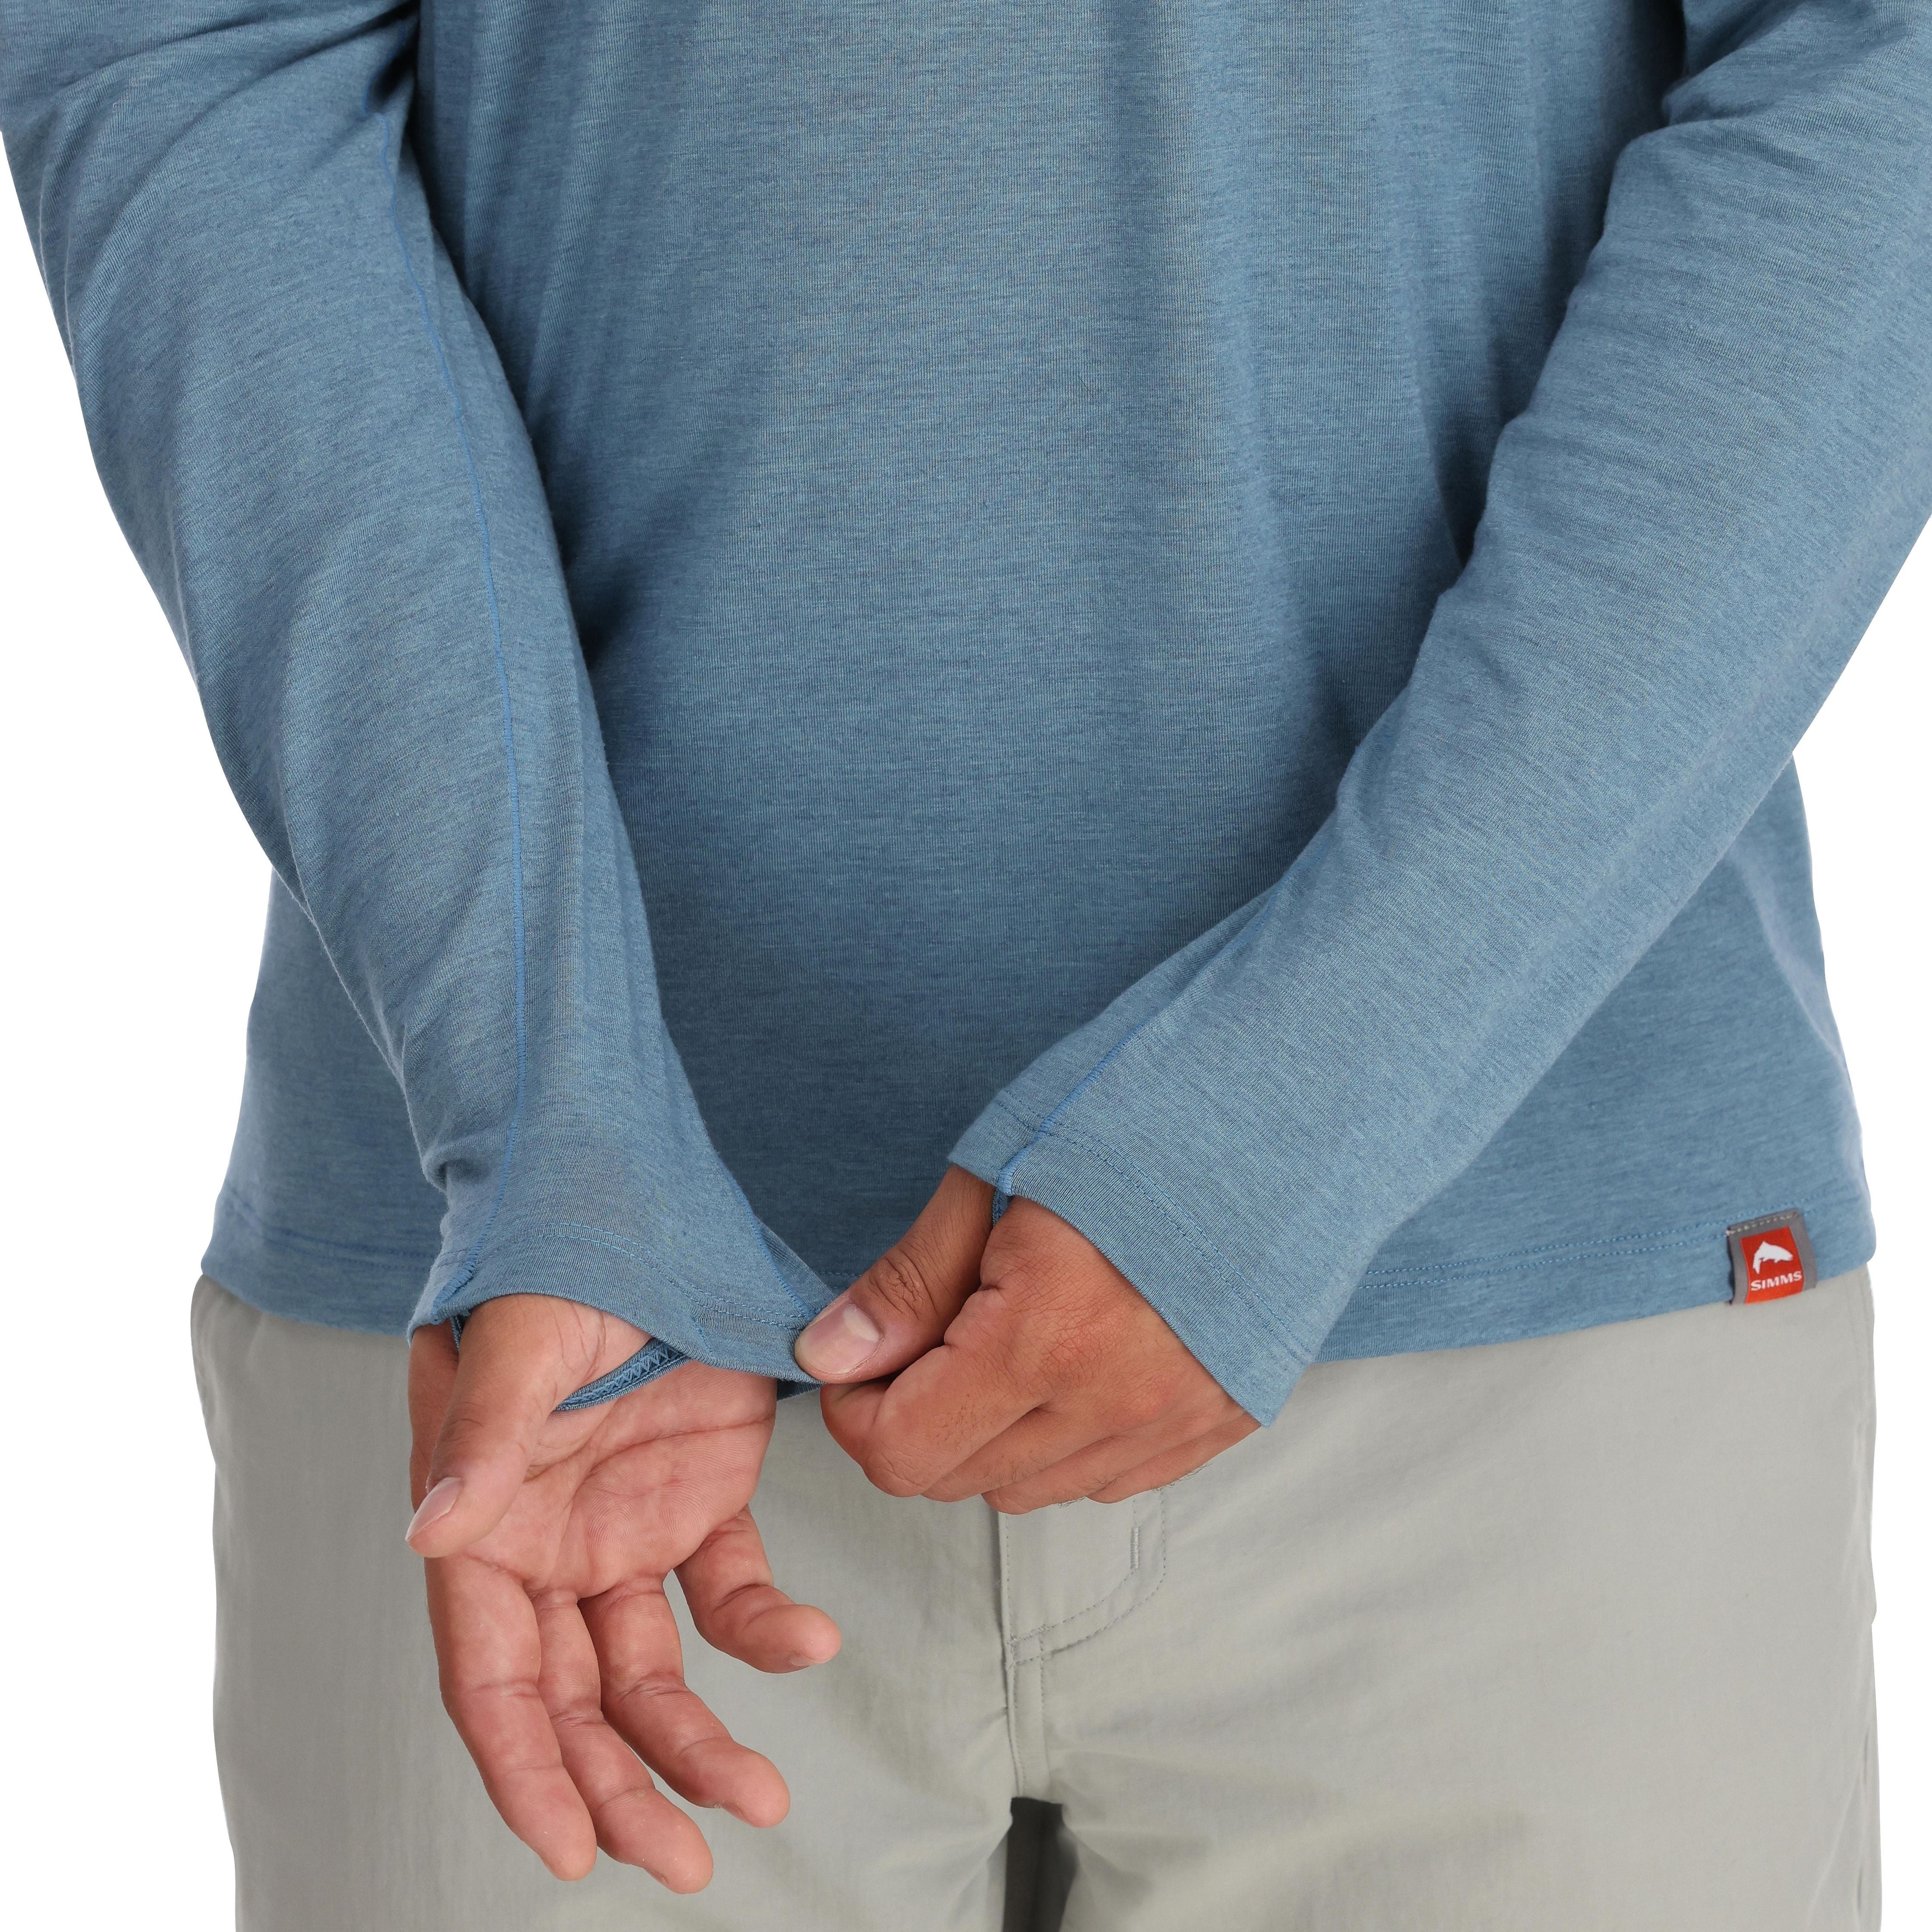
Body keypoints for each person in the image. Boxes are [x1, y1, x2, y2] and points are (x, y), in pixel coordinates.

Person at [3, 1, 1926, 1926]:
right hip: (553, 1345)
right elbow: (185, 57)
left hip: (1524, 1309)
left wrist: (1301, 1111)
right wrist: (537, 1080)